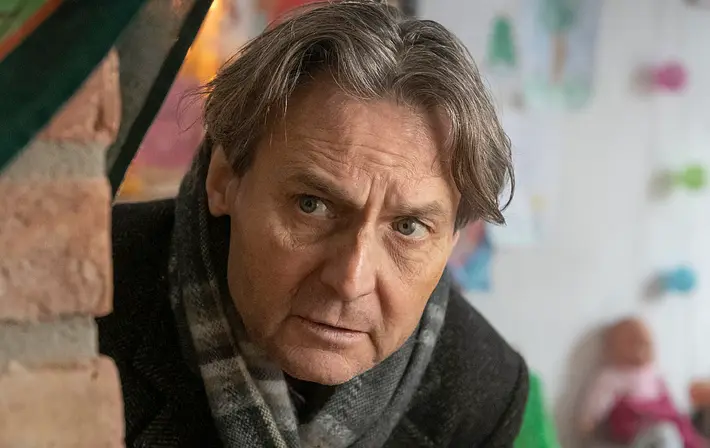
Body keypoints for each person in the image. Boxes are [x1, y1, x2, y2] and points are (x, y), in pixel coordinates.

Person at [100, 1, 528, 447]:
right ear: (224, 178)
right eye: (312, 205)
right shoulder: (78, 300)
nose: (351, 281)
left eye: (408, 228)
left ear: (453, 237)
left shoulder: (480, 393)